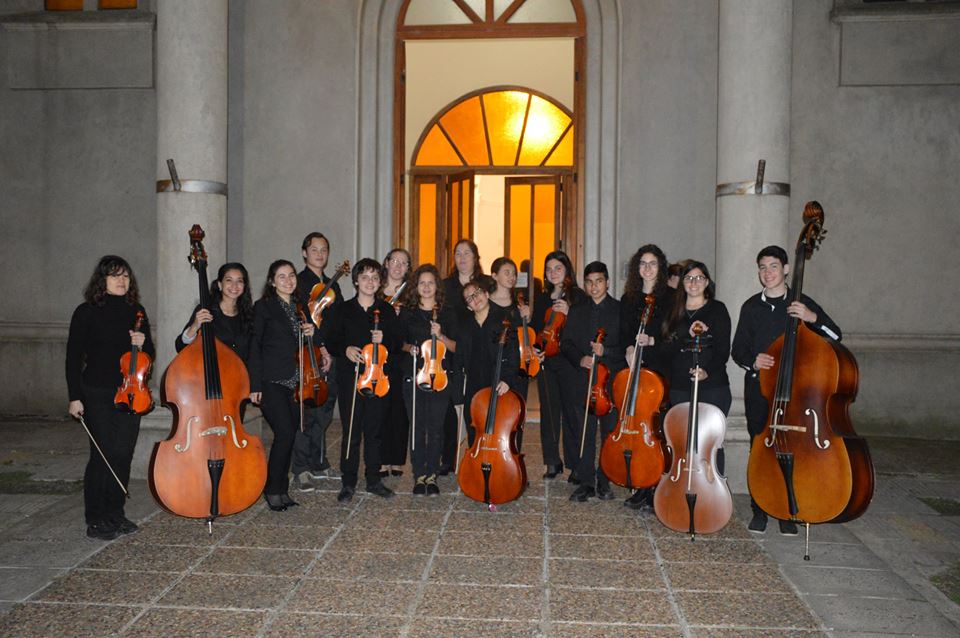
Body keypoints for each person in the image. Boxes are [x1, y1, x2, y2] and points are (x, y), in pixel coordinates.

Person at [732, 245, 842, 536]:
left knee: (791, 450)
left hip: (796, 395)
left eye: (772, 266)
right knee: (760, 448)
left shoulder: (801, 303)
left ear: (786, 269)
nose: (767, 273)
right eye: (762, 267)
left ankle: (786, 509)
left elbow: (836, 335)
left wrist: (812, 318)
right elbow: (738, 350)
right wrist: (752, 361)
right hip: (761, 391)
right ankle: (759, 508)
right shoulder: (750, 307)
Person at [66, 255, 155, 540]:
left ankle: (116, 513)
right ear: (102, 280)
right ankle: (95, 518)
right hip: (97, 393)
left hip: (131, 393)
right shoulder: (86, 312)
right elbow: (72, 358)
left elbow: (148, 355)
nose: (122, 280)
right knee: (101, 456)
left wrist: (144, 344)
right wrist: (74, 397)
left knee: (122, 454)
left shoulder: (136, 311)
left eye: (126, 276)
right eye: (115, 275)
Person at [323, 258, 401, 503]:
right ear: (356, 280)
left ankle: (374, 480)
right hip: (351, 379)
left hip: (378, 379)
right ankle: (348, 482)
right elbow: (330, 339)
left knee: (375, 431)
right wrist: (344, 349)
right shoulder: (342, 309)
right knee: (352, 431)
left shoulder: (387, 311)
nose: (370, 282)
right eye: (365, 277)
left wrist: (384, 338)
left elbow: (398, 344)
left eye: (375, 278)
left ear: (380, 283)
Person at [248, 260, 316, 512]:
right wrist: (255, 384)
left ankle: (282, 489)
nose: (288, 280)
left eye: (291, 275)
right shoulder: (263, 307)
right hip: (271, 380)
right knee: (285, 432)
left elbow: (309, 345)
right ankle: (271, 488)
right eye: (281, 276)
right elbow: (255, 346)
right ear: (272, 281)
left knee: (290, 435)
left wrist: (311, 332)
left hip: (296, 382)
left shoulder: (300, 308)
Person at [561, 261, 626, 501]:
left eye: (599, 281)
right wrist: (581, 359)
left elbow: (626, 348)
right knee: (584, 433)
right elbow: (565, 343)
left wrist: (605, 352)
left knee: (609, 433)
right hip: (583, 380)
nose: (594, 286)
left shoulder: (620, 310)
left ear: (607, 282)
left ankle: (605, 480)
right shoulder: (577, 310)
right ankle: (586, 480)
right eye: (589, 282)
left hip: (609, 383)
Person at [620, 244, 672, 509]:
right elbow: (622, 334)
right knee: (639, 431)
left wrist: (652, 340)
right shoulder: (629, 298)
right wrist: (629, 347)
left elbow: (674, 337)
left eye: (653, 263)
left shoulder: (671, 298)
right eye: (642, 263)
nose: (647, 268)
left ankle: (657, 487)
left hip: (660, 371)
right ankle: (641, 485)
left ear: (660, 267)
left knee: (657, 432)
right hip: (636, 371)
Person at [399, 264, 458, 495]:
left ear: (437, 286)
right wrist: (410, 349)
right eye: (421, 283)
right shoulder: (407, 312)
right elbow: (398, 343)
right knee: (417, 426)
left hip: (440, 377)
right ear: (416, 286)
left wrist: (441, 335)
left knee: (435, 427)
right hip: (413, 374)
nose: (426, 287)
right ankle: (418, 474)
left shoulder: (448, 313)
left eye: (430, 283)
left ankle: (432, 474)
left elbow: (456, 348)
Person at [531, 250, 587, 480]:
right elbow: (536, 328)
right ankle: (552, 461)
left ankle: (575, 465)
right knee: (549, 413)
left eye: (558, 268)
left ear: (567, 271)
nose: (553, 273)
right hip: (547, 360)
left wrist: (570, 313)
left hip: (569, 361)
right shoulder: (543, 297)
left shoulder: (577, 296)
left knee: (572, 412)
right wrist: (536, 348)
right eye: (548, 269)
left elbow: (584, 330)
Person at [291, 233, 341, 491]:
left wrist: (334, 350)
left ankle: (319, 462)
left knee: (324, 412)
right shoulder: (298, 283)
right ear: (304, 252)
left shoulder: (333, 285)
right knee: (307, 412)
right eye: (314, 249)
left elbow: (338, 319)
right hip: (310, 356)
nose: (319, 254)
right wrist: (321, 347)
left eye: (324, 249)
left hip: (330, 354)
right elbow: (303, 321)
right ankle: (300, 468)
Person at [459, 276, 522, 449]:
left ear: (486, 294)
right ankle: (476, 466)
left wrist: (507, 380)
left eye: (477, 293)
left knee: (499, 429)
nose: (475, 298)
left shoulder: (504, 320)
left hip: (498, 383)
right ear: (468, 306)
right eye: (470, 298)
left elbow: (513, 354)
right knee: (475, 428)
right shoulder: (465, 326)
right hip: (474, 385)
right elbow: (460, 357)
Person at [439, 239, 482, 474]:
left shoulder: (485, 284)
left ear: (476, 257)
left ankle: (477, 452)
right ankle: (448, 457)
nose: (462, 257)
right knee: (449, 405)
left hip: (479, 351)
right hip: (450, 350)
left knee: (476, 406)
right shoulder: (445, 286)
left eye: (467, 253)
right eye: (458, 253)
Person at [489, 257, 531, 448]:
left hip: (517, 367)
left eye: (514, 273)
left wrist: (527, 319)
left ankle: (513, 463)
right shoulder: (485, 304)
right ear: (494, 275)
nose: (512, 277)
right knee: (495, 417)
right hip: (495, 366)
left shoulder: (520, 306)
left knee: (516, 417)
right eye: (507, 272)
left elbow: (528, 338)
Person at [175, 262, 254, 363]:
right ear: (220, 285)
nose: (234, 285)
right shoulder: (206, 309)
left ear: (244, 286)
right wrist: (195, 326)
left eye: (239, 281)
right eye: (229, 280)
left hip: (239, 376)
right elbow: (180, 347)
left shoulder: (249, 314)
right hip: (209, 374)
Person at [380, 248, 413, 478]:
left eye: (404, 263)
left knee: (400, 409)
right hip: (380, 357)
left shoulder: (411, 295)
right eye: (395, 261)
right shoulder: (375, 289)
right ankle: (382, 460)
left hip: (403, 358)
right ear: (387, 263)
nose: (398, 266)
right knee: (381, 408)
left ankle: (397, 459)